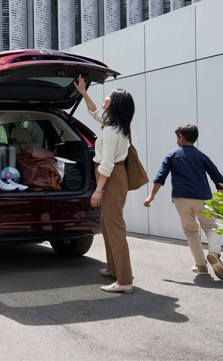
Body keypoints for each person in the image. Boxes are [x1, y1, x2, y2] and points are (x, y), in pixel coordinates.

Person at [74, 75, 135, 294]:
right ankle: (113, 268)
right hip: (116, 177)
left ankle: (125, 280)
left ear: (115, 103)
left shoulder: (111, 130)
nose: (106, 97)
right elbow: (95, 113)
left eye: (109, 95)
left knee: (115, 226)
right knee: (108, 225)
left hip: (111, 178)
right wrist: (83, 92)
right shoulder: (115, 125)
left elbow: (107, 164)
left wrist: (98, 190)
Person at [143, 124, 223, 279]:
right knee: (211, 227)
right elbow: (219, 179)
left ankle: (201, 265)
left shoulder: (172, 155)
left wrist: (151, 196)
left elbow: (160, 178)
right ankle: (214, 253)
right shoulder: (201, 156)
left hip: (180, 198)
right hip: (202, 198)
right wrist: (218, 198)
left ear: (181, 137)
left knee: (190, 230)